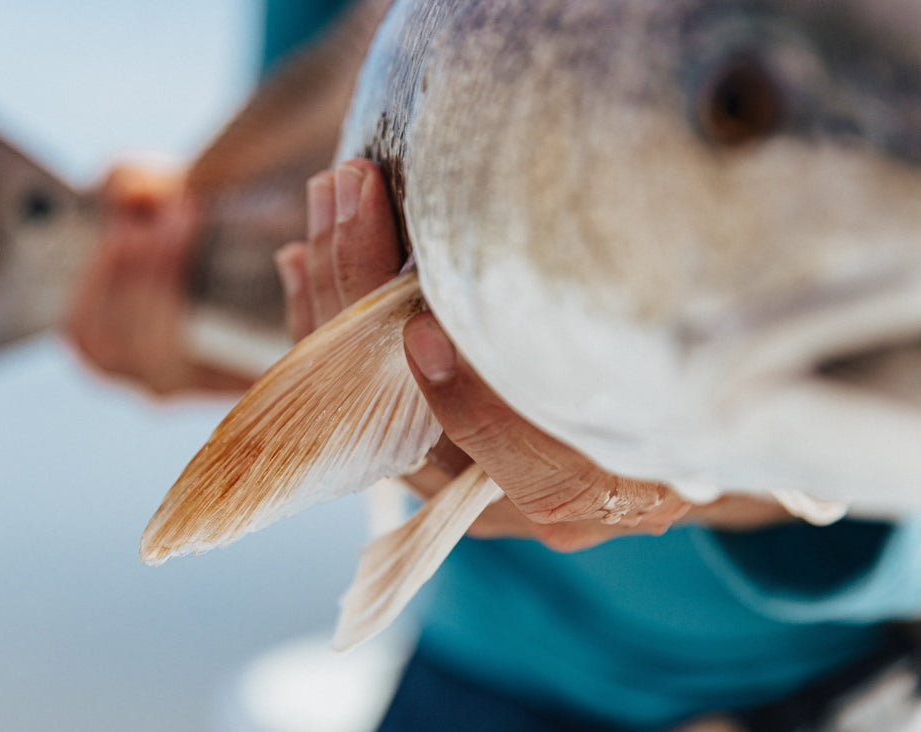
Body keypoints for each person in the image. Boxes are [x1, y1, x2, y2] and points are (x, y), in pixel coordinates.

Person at [65, 3, 921, 730]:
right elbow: (330, 271)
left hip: (853, 677)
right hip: (484, 670)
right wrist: (167, 299)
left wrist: (715, 489)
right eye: (738, 106)